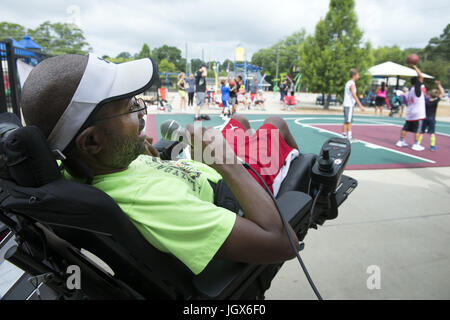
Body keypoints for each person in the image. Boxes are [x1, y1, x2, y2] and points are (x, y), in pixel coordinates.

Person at [20, 53, 301, 277]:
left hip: (198, 167)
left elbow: (106, 168)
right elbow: (283, 244)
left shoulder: (83, 167)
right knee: (274, 124)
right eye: (130, 107)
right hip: (239, 183)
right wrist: (228, 165)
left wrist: (139, 156)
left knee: (238, 121)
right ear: (92, 142)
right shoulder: (155, 205)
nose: (142, 112)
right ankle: (298, 168)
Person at [395, 65, 427, 151]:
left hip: (410, 113)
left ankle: (401, 141)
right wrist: (415, 67)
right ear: (417, 83)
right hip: (418, 113)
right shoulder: (417, 90)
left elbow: (406, 103)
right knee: (418, 130)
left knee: (405, 128)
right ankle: (416, 144)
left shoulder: (408, 91)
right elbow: (421, 77)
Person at [418, 80, 445, 151]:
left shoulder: (426, 100)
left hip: (424, 118)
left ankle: (418, 143)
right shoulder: (436, 101)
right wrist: (439, 85)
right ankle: (432, 146)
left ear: (430, 94)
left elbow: (422, 95)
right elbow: (442, 93)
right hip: (432, 119)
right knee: (432, 133)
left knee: (421, 132)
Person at [342, 68, 366, 141]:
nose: (358, 76)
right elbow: (354, 94)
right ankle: (348, 137)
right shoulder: (351, 83)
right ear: (354, 75)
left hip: (348, 104)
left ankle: (344, 135)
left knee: (347, 121)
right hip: (349, 105)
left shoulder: (349, 83)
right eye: (358, 74)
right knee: (348, 121)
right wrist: (360, 105)